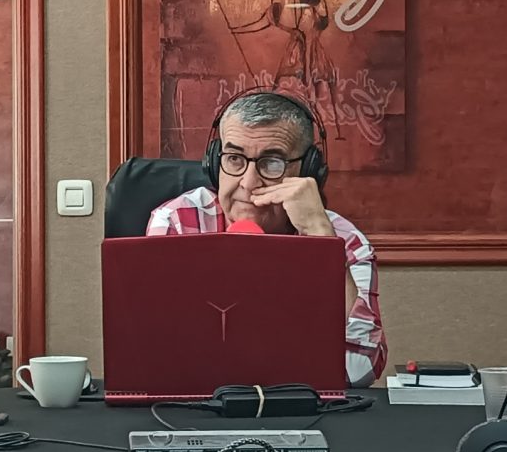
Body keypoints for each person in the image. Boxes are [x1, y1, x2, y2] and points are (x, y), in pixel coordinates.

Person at [145, 91, 385, 386]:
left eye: (272, 163)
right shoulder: (178, 222)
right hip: (196, 405)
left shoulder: (345, 240)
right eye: (234, 159)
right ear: (214, 163)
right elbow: (158, 357)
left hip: (298, 406)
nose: (248, 183)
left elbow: (359, 370)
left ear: (308, 171)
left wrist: (322, 241)